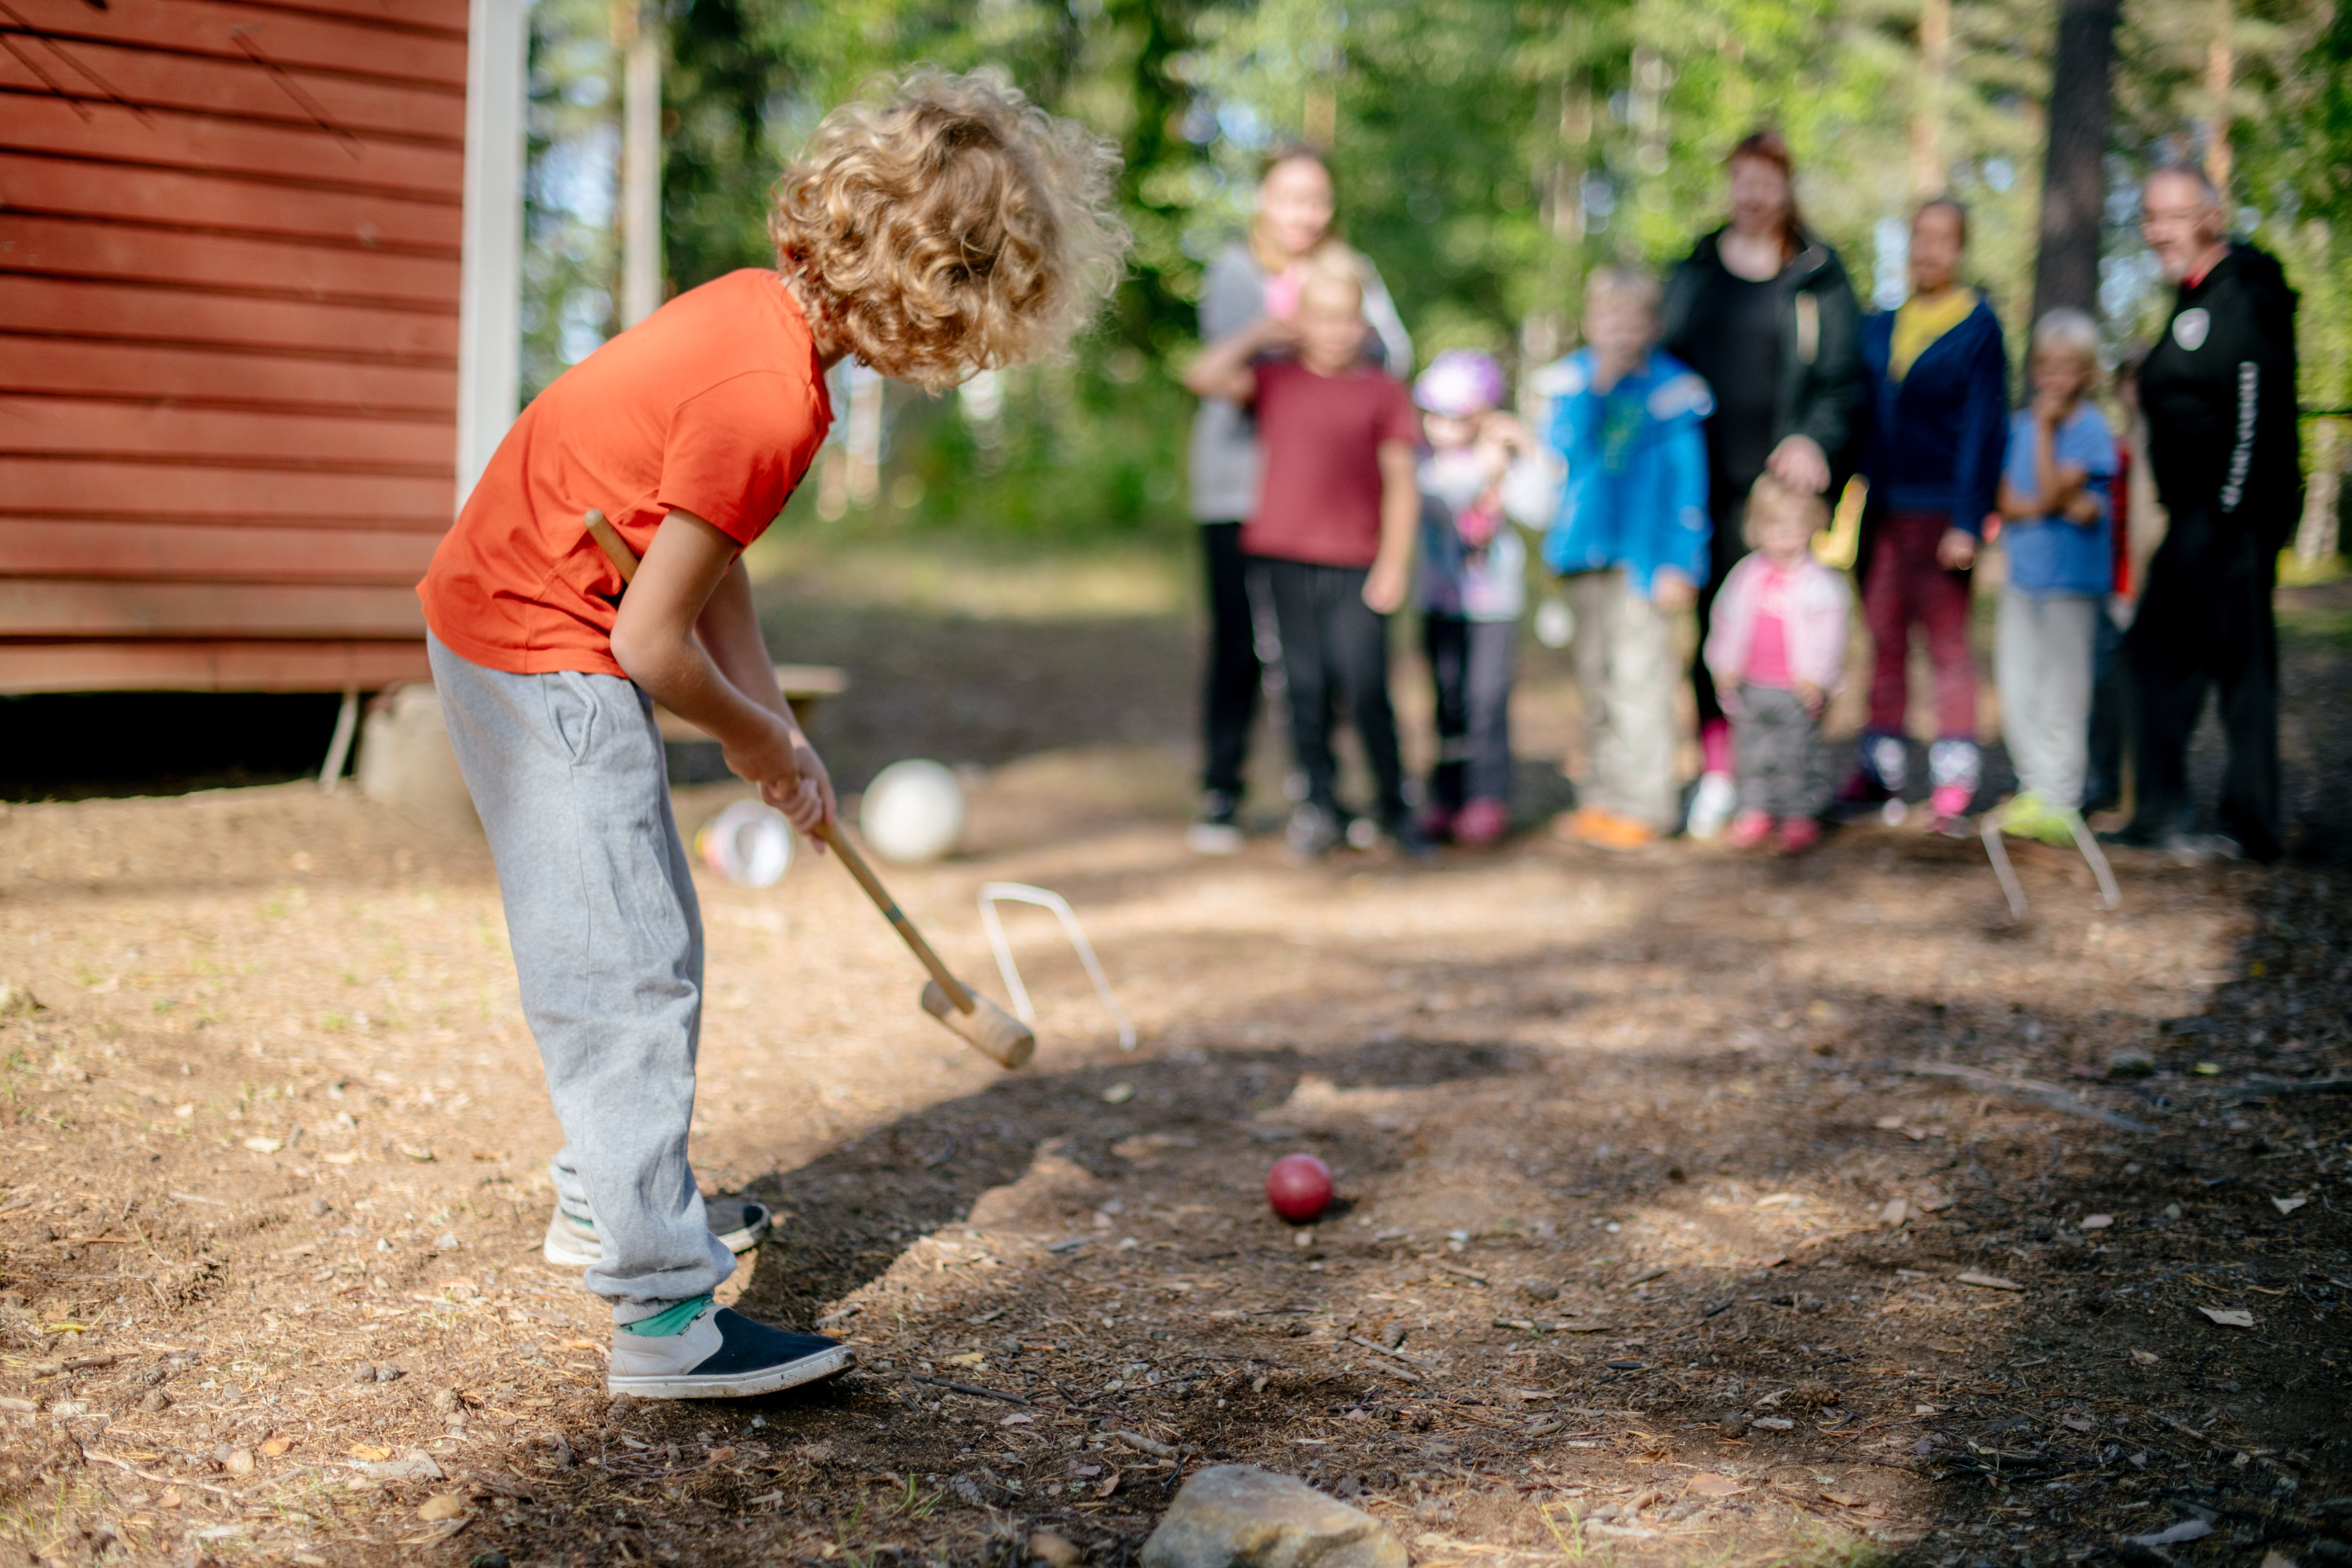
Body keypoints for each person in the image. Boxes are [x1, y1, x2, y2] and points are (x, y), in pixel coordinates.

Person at [416, 71, 1126, 1397]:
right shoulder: (770, 401)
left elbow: (699, 559)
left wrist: (779, 726)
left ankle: (601, 1197)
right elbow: (650, 641)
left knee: (650, 928)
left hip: (519, 608)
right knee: (622, 974)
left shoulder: (756, 318)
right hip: (540, 644)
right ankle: (662, 1319)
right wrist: (748, 739)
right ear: (945, 292)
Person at [1185, 147, 1412, 854]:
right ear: (1264, 202)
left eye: (1315, 200)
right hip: (1238, 488)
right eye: (1289, 198)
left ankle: (1321, 787)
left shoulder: (1355, 274)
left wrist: (1335, 324)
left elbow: (1392, 357)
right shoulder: (1234, 271)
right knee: (1239, 645)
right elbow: (1219, 363)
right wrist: (1275, 332)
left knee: (1324, 658)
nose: (1302, 214)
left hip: (1326, 499)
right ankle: (1223, 788)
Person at [1660, 128, 1863, 838]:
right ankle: (1723, 769)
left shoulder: (1817, 272)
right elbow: (1663, 362)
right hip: (1702, 486)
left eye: (1765, 181)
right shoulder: (1693, 268)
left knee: (1797, 624)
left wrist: (1813, 438)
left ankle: (1793, 774)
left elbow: (1842, 381)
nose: (1751, 193)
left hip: (1779, 492)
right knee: (1719, 625)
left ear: (1786, 188)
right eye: (1740, 179)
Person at [2108, 167, 2301, 863]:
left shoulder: (2245, 293)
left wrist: (2229, 511)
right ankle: (2159, 812)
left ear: (2210, 216)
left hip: (2231, 524)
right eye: (2149, 218)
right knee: (2147, 659)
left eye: (2172, 215)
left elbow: (2255, 410)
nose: (2157, 230)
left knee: (2242, 672)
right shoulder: (2189, 299)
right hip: (2191, 520)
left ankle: (2252, 826)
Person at [1535, 267, 1713, 850]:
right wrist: (1596, 388)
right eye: (1607, 317)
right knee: (1596, 679)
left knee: (1640, 680)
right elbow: (1561, 452)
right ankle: (1603, 797)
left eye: (1632, 318)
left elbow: (1688, 483)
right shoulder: (1571, 385)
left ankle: (1645, 803)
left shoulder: (1673, 390)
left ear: (1653, 325)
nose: (1619, 330)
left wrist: (1680, 562)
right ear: (1590, 322)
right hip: (1583, 553)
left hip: (1644, 560)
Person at [1847, 196, 2010, 832]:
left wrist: (1969, 519)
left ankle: (1954, 779)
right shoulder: (1879, 325)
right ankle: (1881, 769)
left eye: (1943, 239)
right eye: (1920, 237)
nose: (1929, 251)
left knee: (1946, 648)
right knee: (1883, 640)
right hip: (1882, 512)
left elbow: (1982, 428)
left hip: (1944, 516)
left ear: (1960, 248)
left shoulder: (1977, 326)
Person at [1410, 350, 1559, 847]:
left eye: (1452, 416)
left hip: (1494, 606)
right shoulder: (1425, 465)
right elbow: (1437, 505)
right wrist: (1485, 472)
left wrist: (1525, 450)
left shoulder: (1505, 463)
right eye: (1432, 413)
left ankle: (1487, 797)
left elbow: (1541, 510)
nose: (1438, 426)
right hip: (1439, 601)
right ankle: (1446, 796)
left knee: (1487, 701)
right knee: (1447, 700)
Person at [1989, 310, 2117, 844]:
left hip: (2073, 586)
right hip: (2023, 580)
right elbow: (2005, 500)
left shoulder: (2090, 430)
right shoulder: (2013, 428)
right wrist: (2054, 503)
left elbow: (2044, 493)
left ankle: (2061, 797)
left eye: (2068, 368)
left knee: (2064, 693)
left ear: (2087, 373)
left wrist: (2044, 434)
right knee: (2017, 686)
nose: (2054, 378)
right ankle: (2033, 787)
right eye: (2045, 365)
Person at [1704, 475, 1853, 854]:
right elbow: (1724, 622)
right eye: (1775, 526)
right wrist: (1723, 665)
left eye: (1794, 527)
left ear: (1812, 526)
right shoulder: (1745, 577)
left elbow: (1832, 637)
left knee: (1796, 753)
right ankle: (1755, 810)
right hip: (1752, 686)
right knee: (1753, 752)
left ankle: (1798, 814)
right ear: (1756, 528)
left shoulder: (1821, 584)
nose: (1785, 536)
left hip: (1796, 690)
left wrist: (1818, 678)